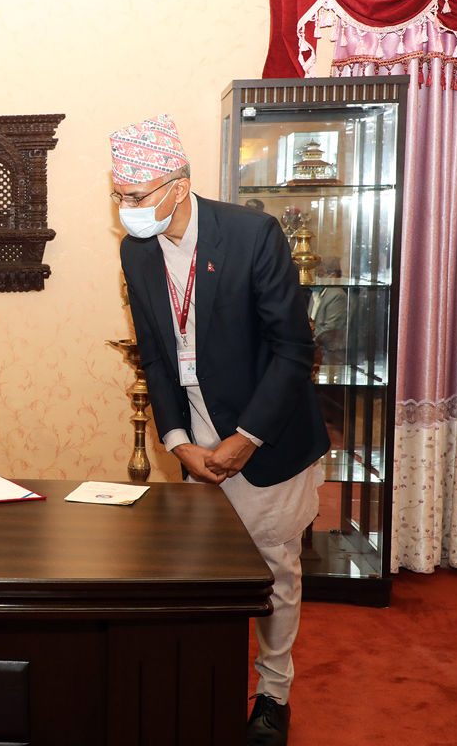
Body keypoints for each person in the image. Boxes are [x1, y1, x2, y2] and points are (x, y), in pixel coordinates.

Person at [112, 114, 329, 746]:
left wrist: (247, 436)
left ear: (178, 185)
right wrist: (178, 441)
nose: (127, 209)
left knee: (273, 569)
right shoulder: (136, 251)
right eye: (119, 196)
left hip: (268, 429)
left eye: (137, 195)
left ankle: (273, 694)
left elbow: (294, 350)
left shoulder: (251, 234)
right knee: (204, 568)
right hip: (197, 432)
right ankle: (212, 678)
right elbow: (156, 356)